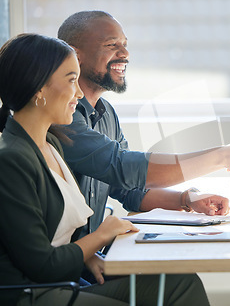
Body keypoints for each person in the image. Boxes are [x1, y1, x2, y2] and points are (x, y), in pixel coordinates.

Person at [0, 33, 210, 305]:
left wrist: (89, 255)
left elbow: (58, 233)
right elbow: (43, 264)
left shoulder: (51, 144)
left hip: (64, 279)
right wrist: (101, 236)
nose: (78, 93)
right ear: (39, 89)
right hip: (33, 294)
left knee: (180, 281)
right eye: (71, 80)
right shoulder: (12, 160)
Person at [55, 10, 230, 238]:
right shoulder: (63, 117)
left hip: (92, 259)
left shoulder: (106, 113)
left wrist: (187, 199)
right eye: (112, 45)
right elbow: (122, 168)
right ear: (75, 55)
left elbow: (128, 189)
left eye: (125, 45)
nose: (125, 54)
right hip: (68, 264)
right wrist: (224, 156)